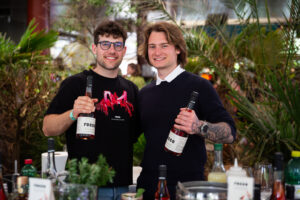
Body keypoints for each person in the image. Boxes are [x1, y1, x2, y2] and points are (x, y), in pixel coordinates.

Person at [136, 21, 236, 200]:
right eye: (152, 46)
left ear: (178, 49)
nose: (157, 52)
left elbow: (230, 133)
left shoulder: (200, 86)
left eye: (164, 46)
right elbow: (127, 135)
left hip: (187, 188)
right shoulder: (144, 93)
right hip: (149, 186)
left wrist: (199, 126)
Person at [43, 20, 141, 200]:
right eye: (105, 44)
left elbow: (134, 135)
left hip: (123, 188)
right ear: (94, 48)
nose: (112, 50)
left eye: (117, 45)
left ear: (124, 51)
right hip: (85, 187)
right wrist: (73, 113)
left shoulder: (131, 89)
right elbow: (48, 127)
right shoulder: (75, 84)